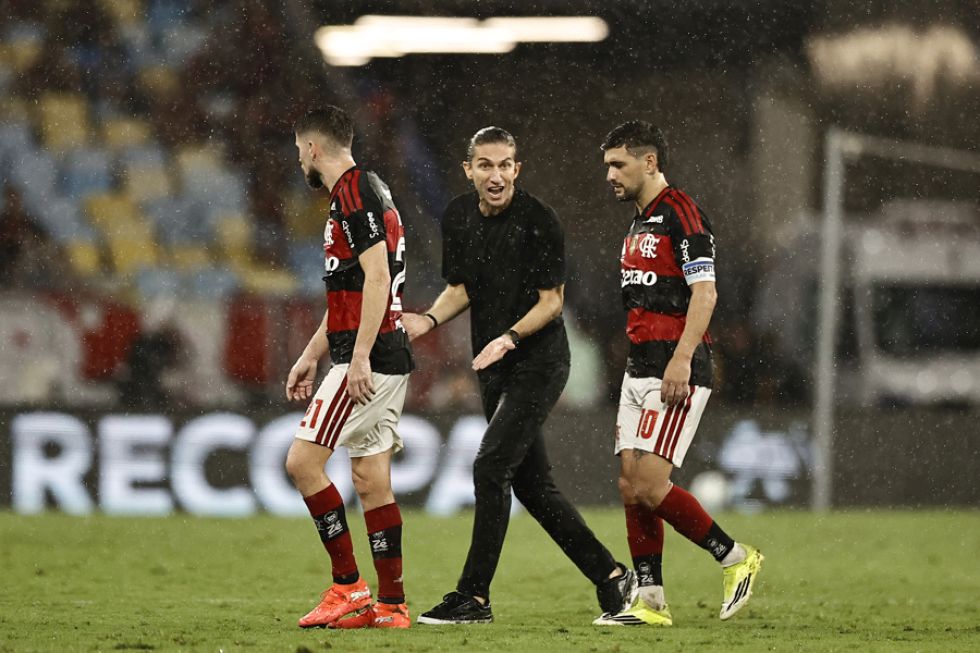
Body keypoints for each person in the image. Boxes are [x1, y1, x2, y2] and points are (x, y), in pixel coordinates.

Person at [403, 126, 637, 625]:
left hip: (540, 362)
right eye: (485, 165)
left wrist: (509, 336)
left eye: (505, 164)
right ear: (468, 171)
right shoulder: (458, 217)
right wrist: (426, 320)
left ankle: (474, 598)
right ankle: (612, 577)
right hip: (494, 366)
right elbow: (463, 286)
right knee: (533, 488)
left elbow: (551, 303)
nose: (496, 174)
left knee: (490, 467)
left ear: (517, 169)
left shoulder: (539, 220)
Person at [593, 120, 764, 627]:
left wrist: (683, 357)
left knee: (650, 483)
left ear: (649, 162)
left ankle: (735, 557)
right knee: (629, 484)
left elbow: (705, 293)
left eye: (617, 164)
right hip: (639, 365)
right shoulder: (639, 221)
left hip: (676, 367)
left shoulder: (681, 213)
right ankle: (650, 602)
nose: (609, 175)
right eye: (607, 165)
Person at [284, 106, 413, 630]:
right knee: (371, 480)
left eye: (299, 151)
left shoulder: (354, 193)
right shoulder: (367, 190)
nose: (299, 161)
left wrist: (356, 357)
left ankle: (347, 586)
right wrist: (311, 354)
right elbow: (350, 294)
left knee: (302, 463)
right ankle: (392, 604)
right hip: (382, 352)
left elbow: (378, 278)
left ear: (313, 148)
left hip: (370, 357)